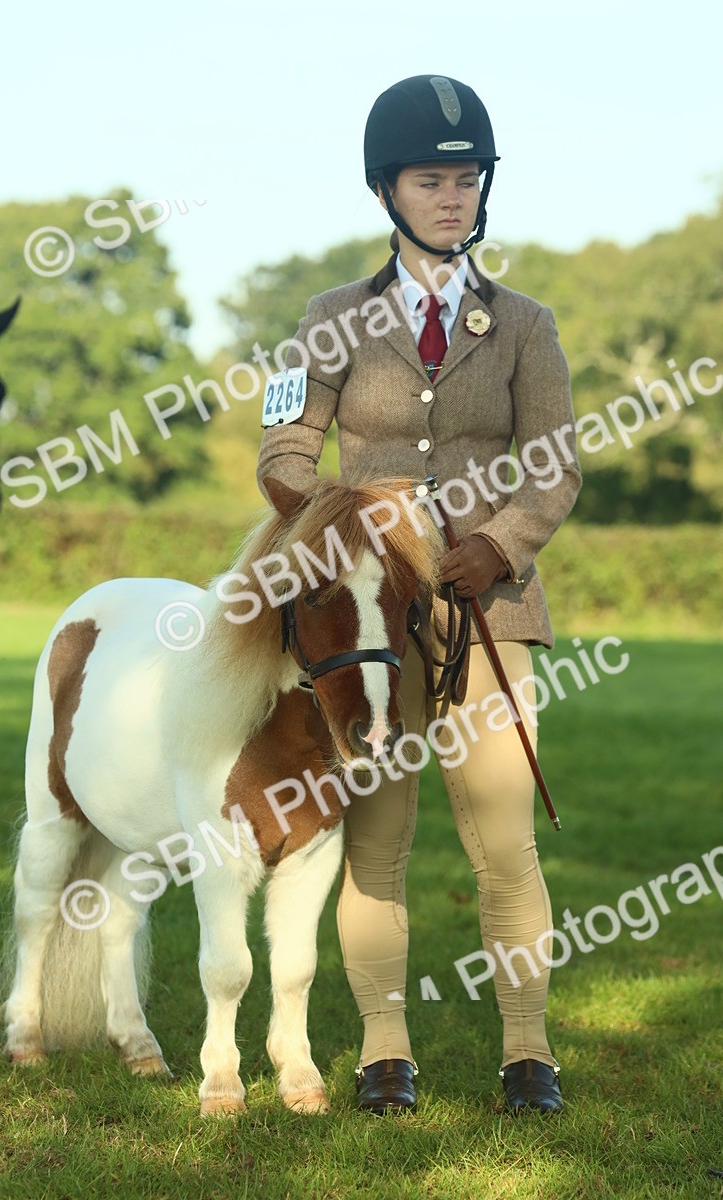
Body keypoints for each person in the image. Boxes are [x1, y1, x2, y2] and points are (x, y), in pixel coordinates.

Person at [256, 74, 581, 1114]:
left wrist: (498, 542)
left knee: (502, 840)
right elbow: (283, 448)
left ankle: (526, 1052)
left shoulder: (526, 325)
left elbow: (555, 464)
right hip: (370, 628)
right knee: (377, 841)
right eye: (430, 180)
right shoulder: (325, 320)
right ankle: (382, 1049)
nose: (453, 197)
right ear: (386, 190)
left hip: (492, 613)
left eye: (466, 179)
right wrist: (348, 535)